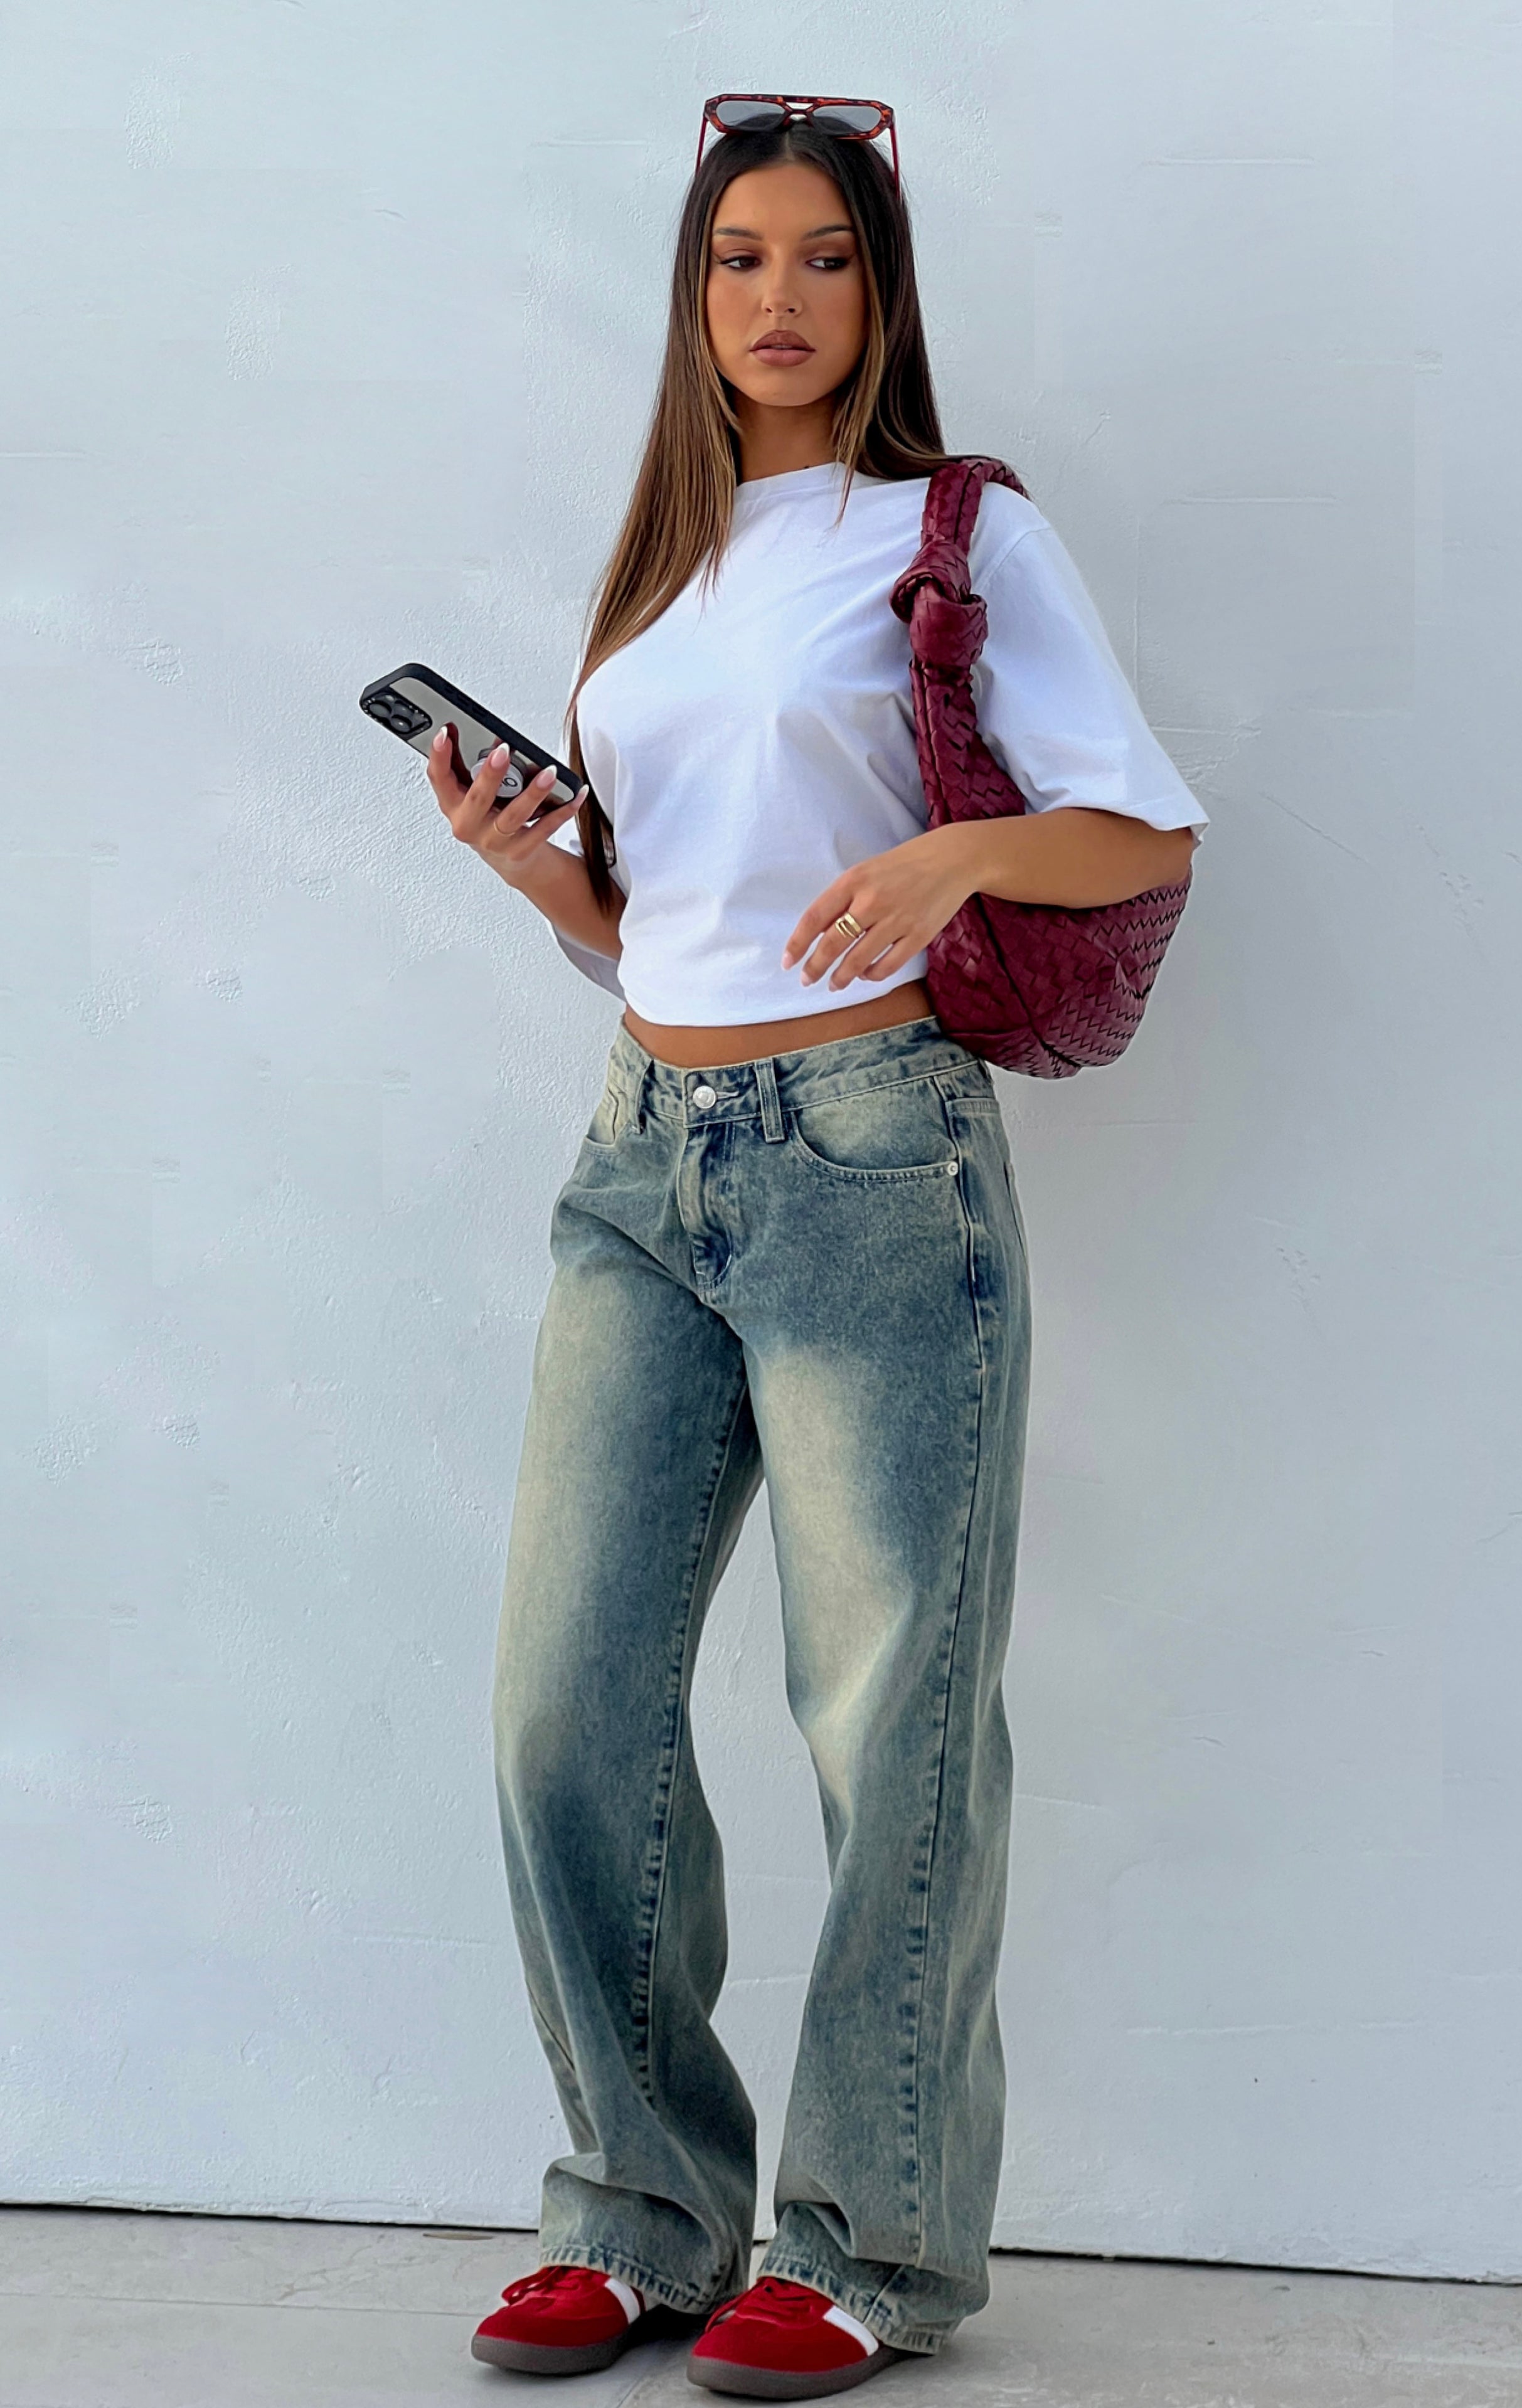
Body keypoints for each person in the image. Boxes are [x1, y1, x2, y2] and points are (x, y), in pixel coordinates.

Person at [431, 93, 1208, 2400]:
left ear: (882, 289)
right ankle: (642, 2215)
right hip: (636, 1157)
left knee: (886, 1718)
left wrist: (960, 860)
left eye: (825, 256)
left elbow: (1141, 831)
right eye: (738, 257)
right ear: (693, 295)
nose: (779, 297)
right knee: (562, 1706)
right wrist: (539, 875)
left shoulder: (951, 533)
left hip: (873, 1153)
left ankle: (867, 2247)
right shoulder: (661, 570)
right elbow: (670, 914)